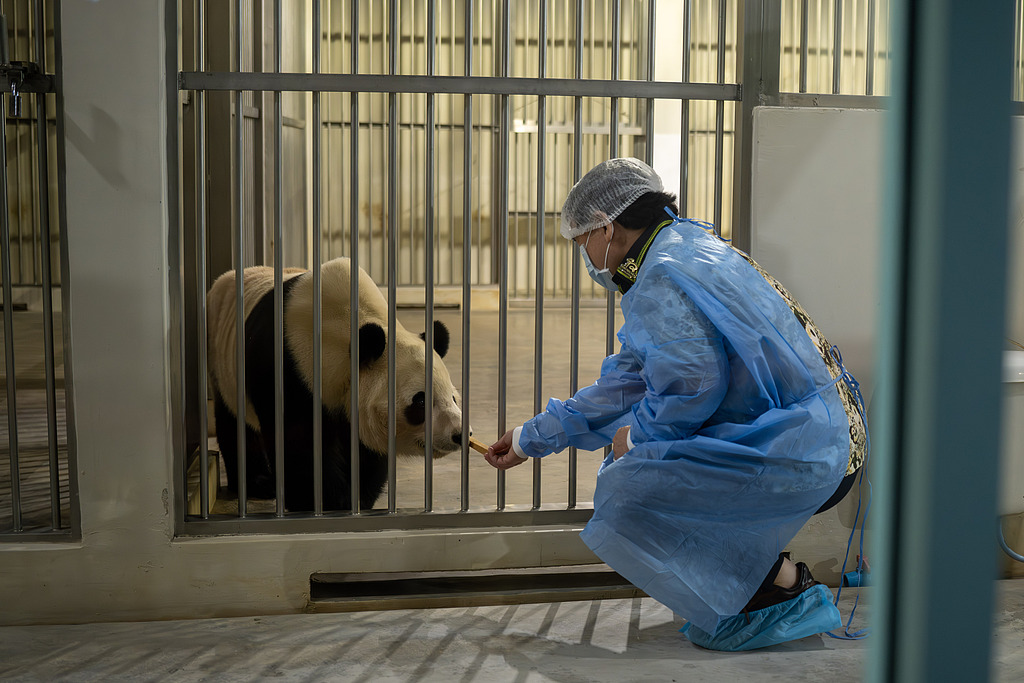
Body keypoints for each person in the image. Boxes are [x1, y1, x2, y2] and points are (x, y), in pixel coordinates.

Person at [484, 158, 867, 651]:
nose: (585, 255)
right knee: (646, 460)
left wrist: (637, 439)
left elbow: (691, 383)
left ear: (607, 227)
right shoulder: (688, 246)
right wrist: (528, 438)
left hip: (812, 451)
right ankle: (759, 582)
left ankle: (781, 588)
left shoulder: (660, 276)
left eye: (583, 242)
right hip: (829, 436)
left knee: (630, 485)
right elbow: (630, 383)